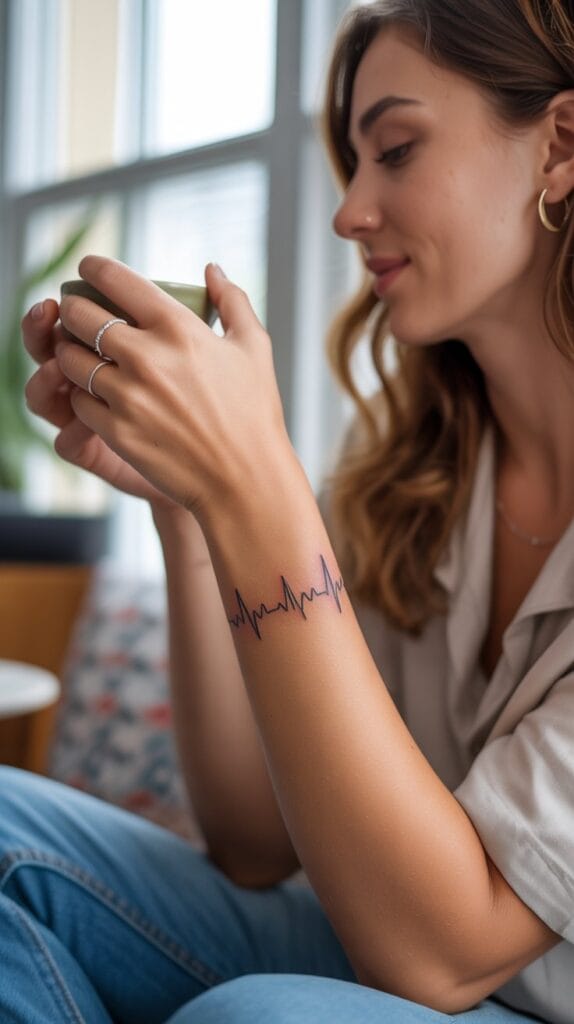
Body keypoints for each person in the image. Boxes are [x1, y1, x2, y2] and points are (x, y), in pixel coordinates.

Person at [5, 0, 574, 1020]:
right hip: (375, 944)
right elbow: (254, 841)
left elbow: (443, 955)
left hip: (490, 980)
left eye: (395, 150)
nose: (348, 213)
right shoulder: (410, 486)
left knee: (255, 1016)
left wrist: (253, 482)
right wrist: (190, 508)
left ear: (560, 145)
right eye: (352, 165)